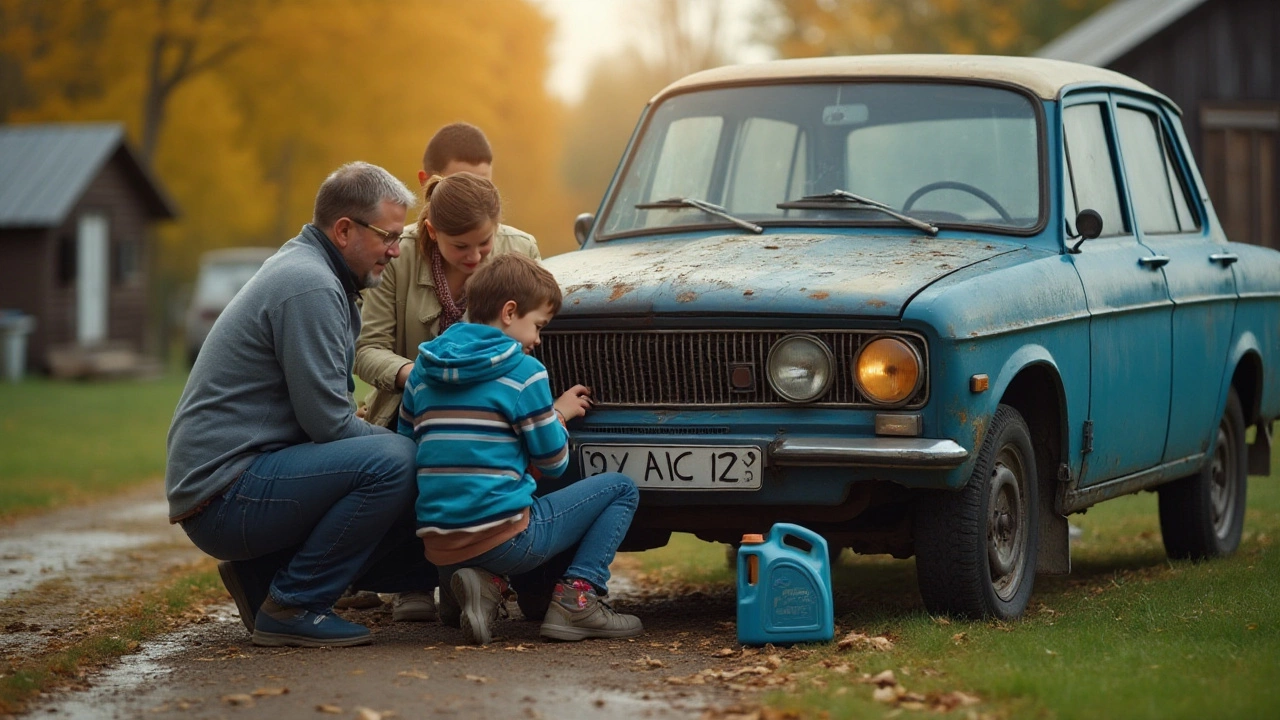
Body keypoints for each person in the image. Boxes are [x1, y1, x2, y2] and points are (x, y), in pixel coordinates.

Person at [166, 161, 433, 648]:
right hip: (224, 496)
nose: (396, 251)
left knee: (400, 462)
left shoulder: (311, 272)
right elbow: (329, 426)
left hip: (232, 484)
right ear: (345, 229)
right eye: (388, 237)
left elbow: (324, 415)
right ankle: (294, 603)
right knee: (401, 462)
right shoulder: (309, 285)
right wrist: (419, 448)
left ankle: (264, 579)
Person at [399, 251, 644, 645]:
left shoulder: (424, 368)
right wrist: (558, 414)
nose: (538, 339)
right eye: (538, 325)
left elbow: (410, 436)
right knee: (620, 489)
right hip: (506, 542)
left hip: (439, 546)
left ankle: (474, 588)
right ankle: (578, 601)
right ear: (510, 312)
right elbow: (554, 460)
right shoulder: (524, 372)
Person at [353, 122, 541, 624]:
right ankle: (409, 579)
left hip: (498, 410)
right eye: (463, 249)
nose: (477, 258)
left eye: (485, 245)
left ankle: (500, 575)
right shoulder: (399, 255)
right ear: (434, 231)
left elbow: (540, 339)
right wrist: (415, 375)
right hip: (416, 404)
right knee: (412, 455)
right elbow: (366, 348)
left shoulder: (520, 250)